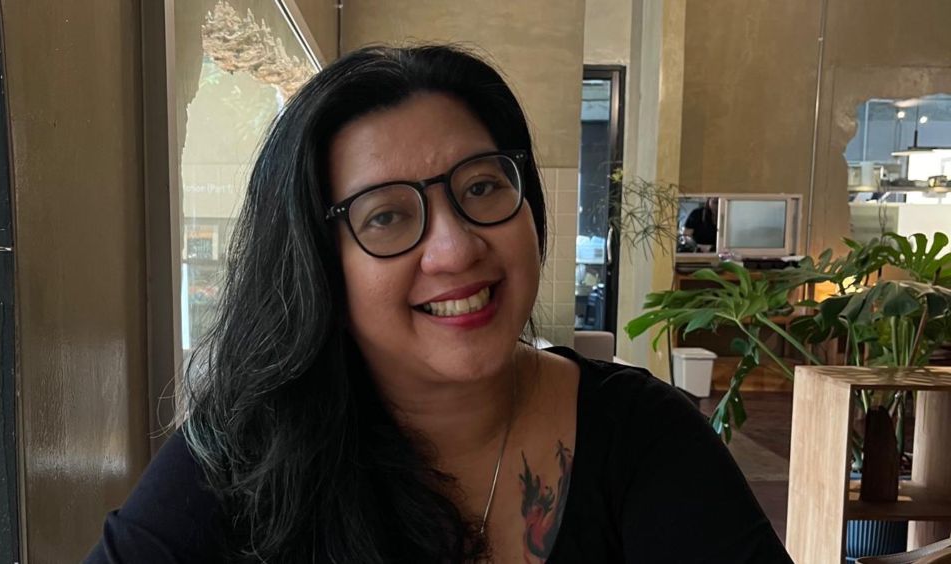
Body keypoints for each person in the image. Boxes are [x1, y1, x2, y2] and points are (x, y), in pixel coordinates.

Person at [86, 45, 791, 563]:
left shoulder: (643, 437)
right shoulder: (246, 459)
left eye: (481, 187)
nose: (454, 249)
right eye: (386, 216)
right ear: (320, 267)